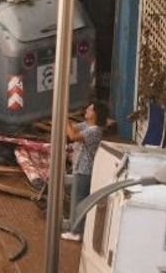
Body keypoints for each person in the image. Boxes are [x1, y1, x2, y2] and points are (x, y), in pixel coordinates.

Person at [62, 101, 107, 241]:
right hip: (79, 167)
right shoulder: (87, 125)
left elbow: (73, 136)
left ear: (96, 114)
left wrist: (64, 117)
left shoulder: (95, 131)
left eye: (90, 109)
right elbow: (72, 129)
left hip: (85, 170)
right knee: (76, 199)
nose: (87, 110)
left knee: (78, 200)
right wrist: (66, 120)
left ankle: (76, 232)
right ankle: (74, 229)